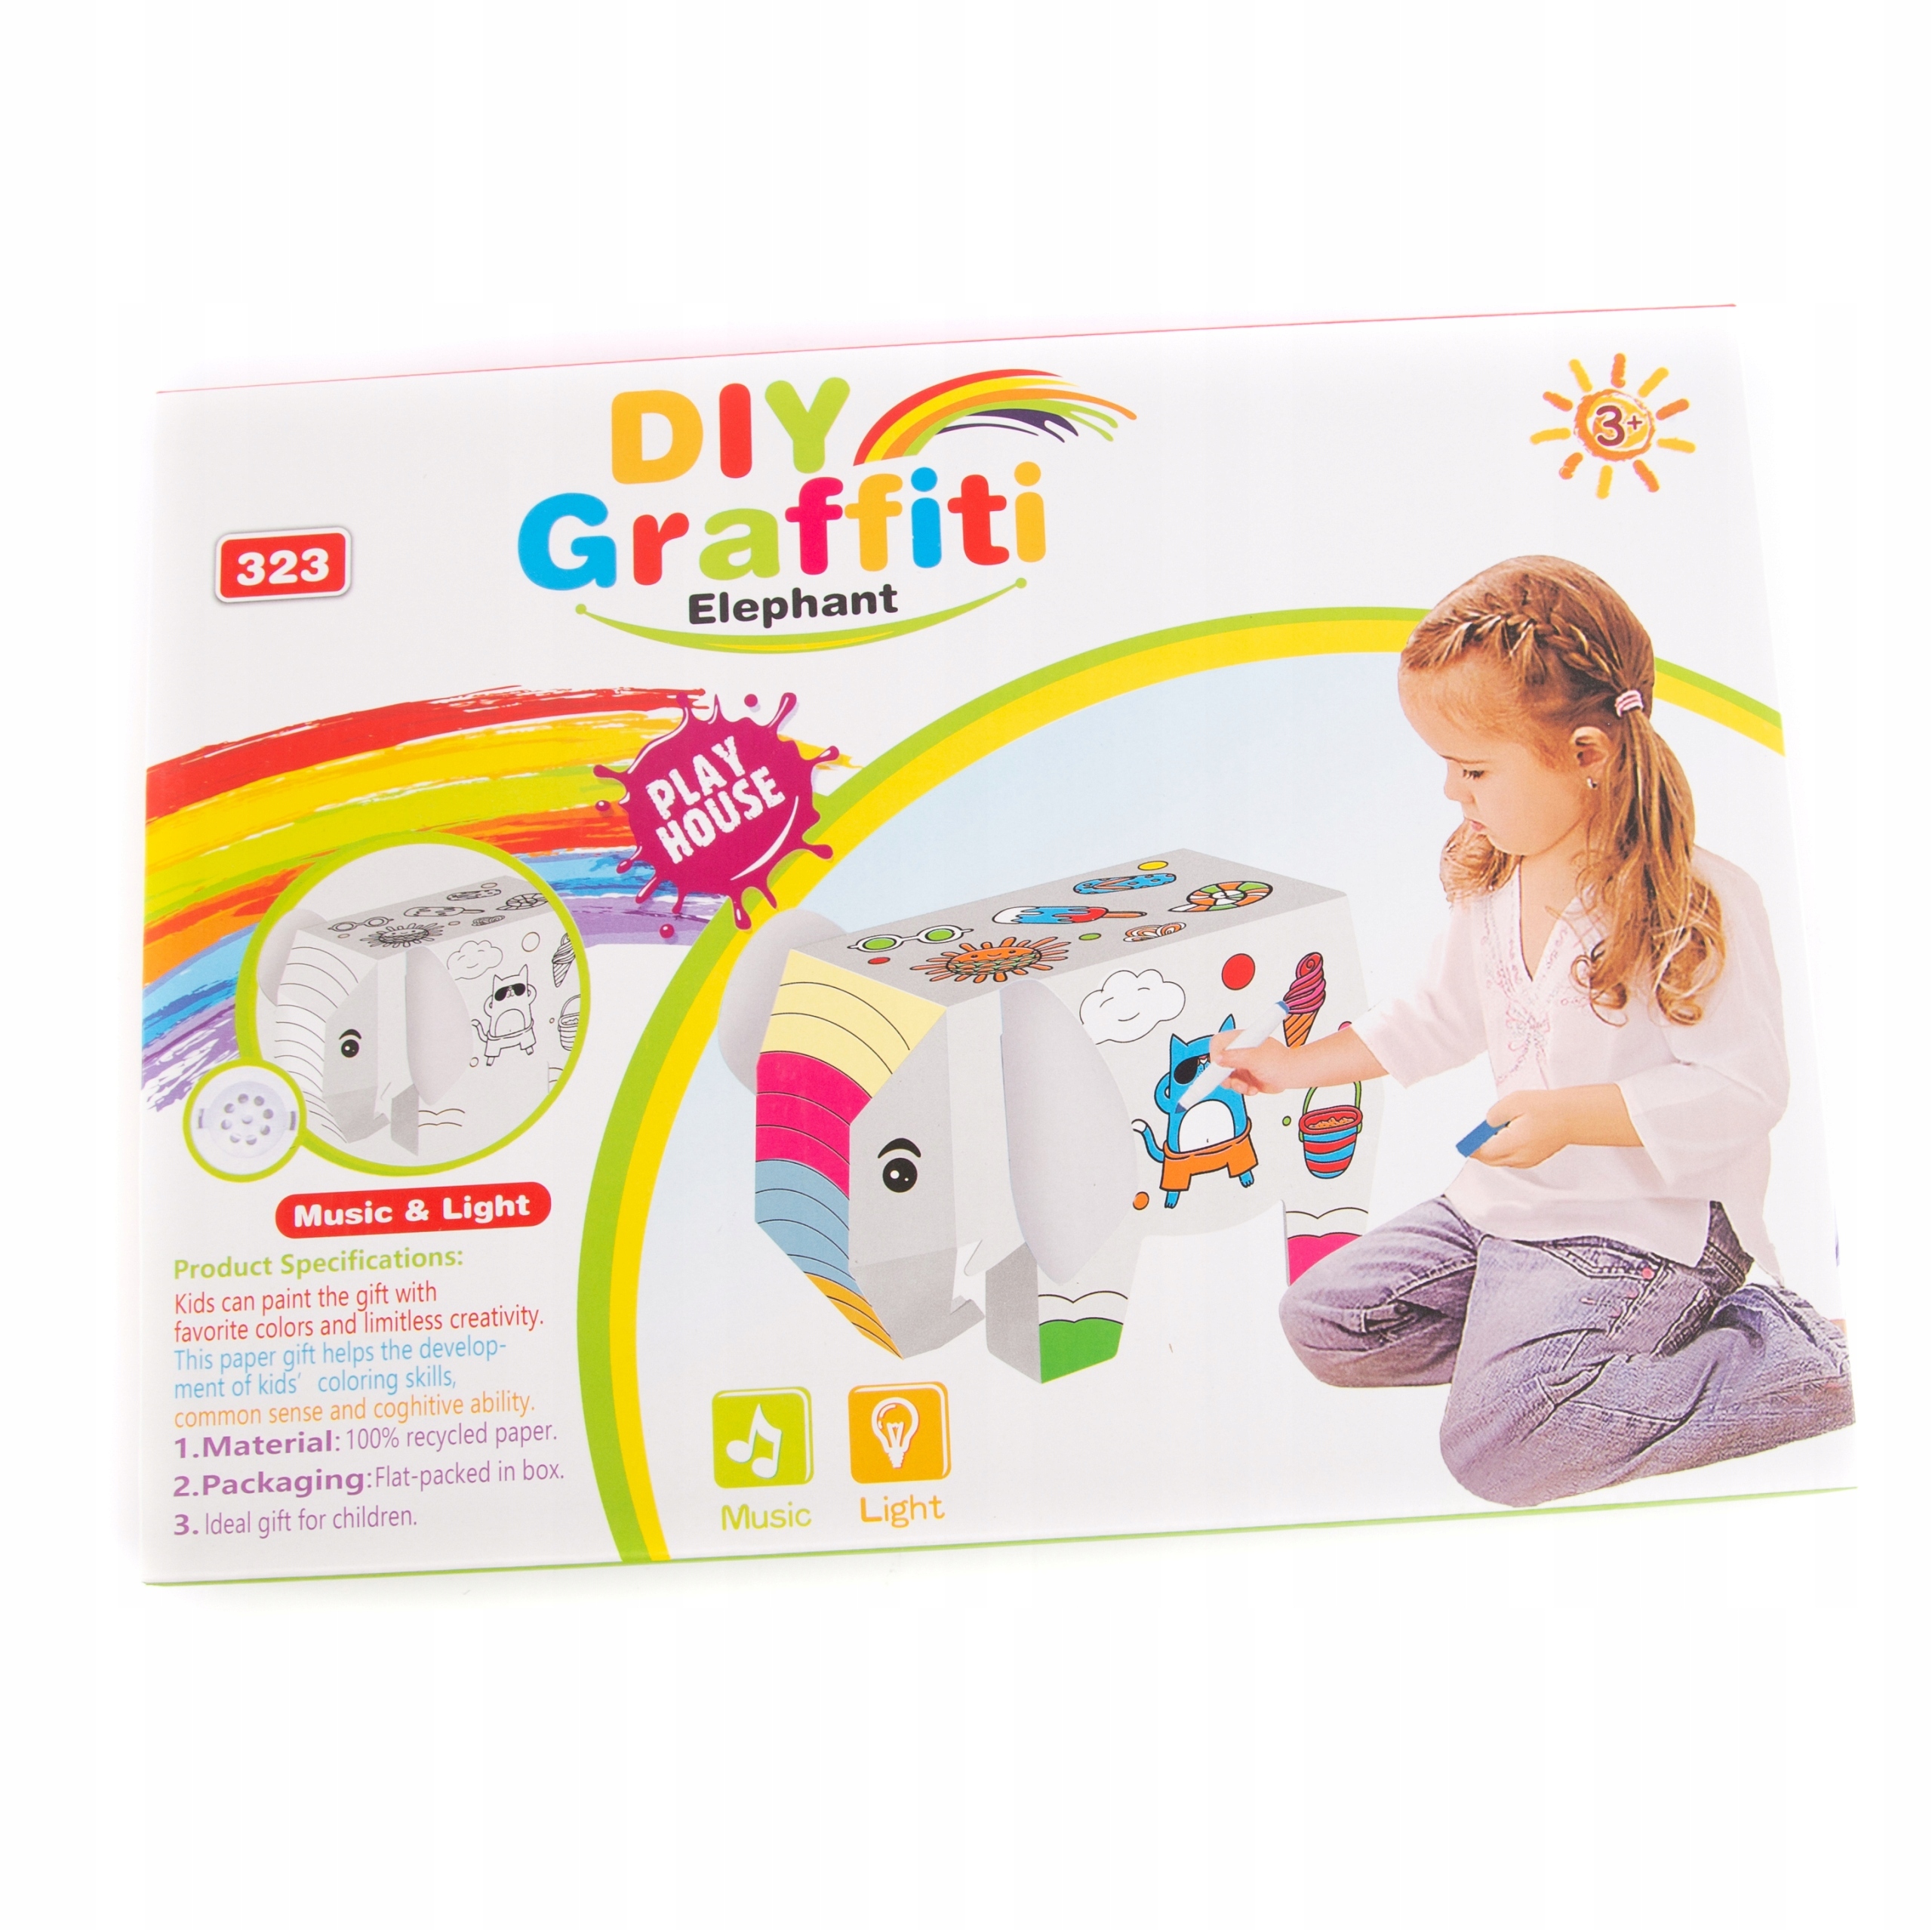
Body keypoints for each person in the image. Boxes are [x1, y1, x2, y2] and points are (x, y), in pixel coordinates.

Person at [1211, 556, 1852, 1507]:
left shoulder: (1695, 901)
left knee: (1497, 1452)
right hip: (1511, 1208)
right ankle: (1552, 1349)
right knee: (1324, 1322)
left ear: (1587, 752)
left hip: (1648, 1226)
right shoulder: (1495, 880)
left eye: (1473, 769)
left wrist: (1570, 1115)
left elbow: (1744, 1090)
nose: (1451, 792)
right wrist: (1291, 1066)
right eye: (1445, 766)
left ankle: (1820, 1360)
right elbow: (1433, 1017)